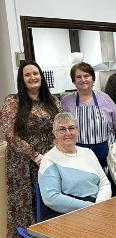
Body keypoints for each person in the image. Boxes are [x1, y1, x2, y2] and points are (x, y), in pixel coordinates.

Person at [0, 60, 62, 237]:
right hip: (21, 163)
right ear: (22, 79)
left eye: (35, 73)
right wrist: (34, 155)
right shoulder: (13, 101)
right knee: (24, 204)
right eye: (27, 74)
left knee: (48, 200)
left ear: (41, 76)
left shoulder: (53, 101)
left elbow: (61, 127)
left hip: (49, 159)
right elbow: (9, 133)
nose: (32, 77)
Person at [38, 112, 111, 219]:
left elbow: (104, 183)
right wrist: (90, 207)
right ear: (55, 133)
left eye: (71, 128)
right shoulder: (49, 159)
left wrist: (100, 204)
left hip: (97, 207)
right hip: (64, 214)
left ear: (78, 131)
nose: (68, 133)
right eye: (62, 129)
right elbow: (51, 198)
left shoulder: (88, 153)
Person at [61, 62, 116, 168]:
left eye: (86, 76)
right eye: (78, 77)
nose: (83, 80)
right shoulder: (66, 101)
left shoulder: (105, 98)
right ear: (73, 81)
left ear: (93, 79)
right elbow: (61, 129)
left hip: (106, 155)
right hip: (78, 156)